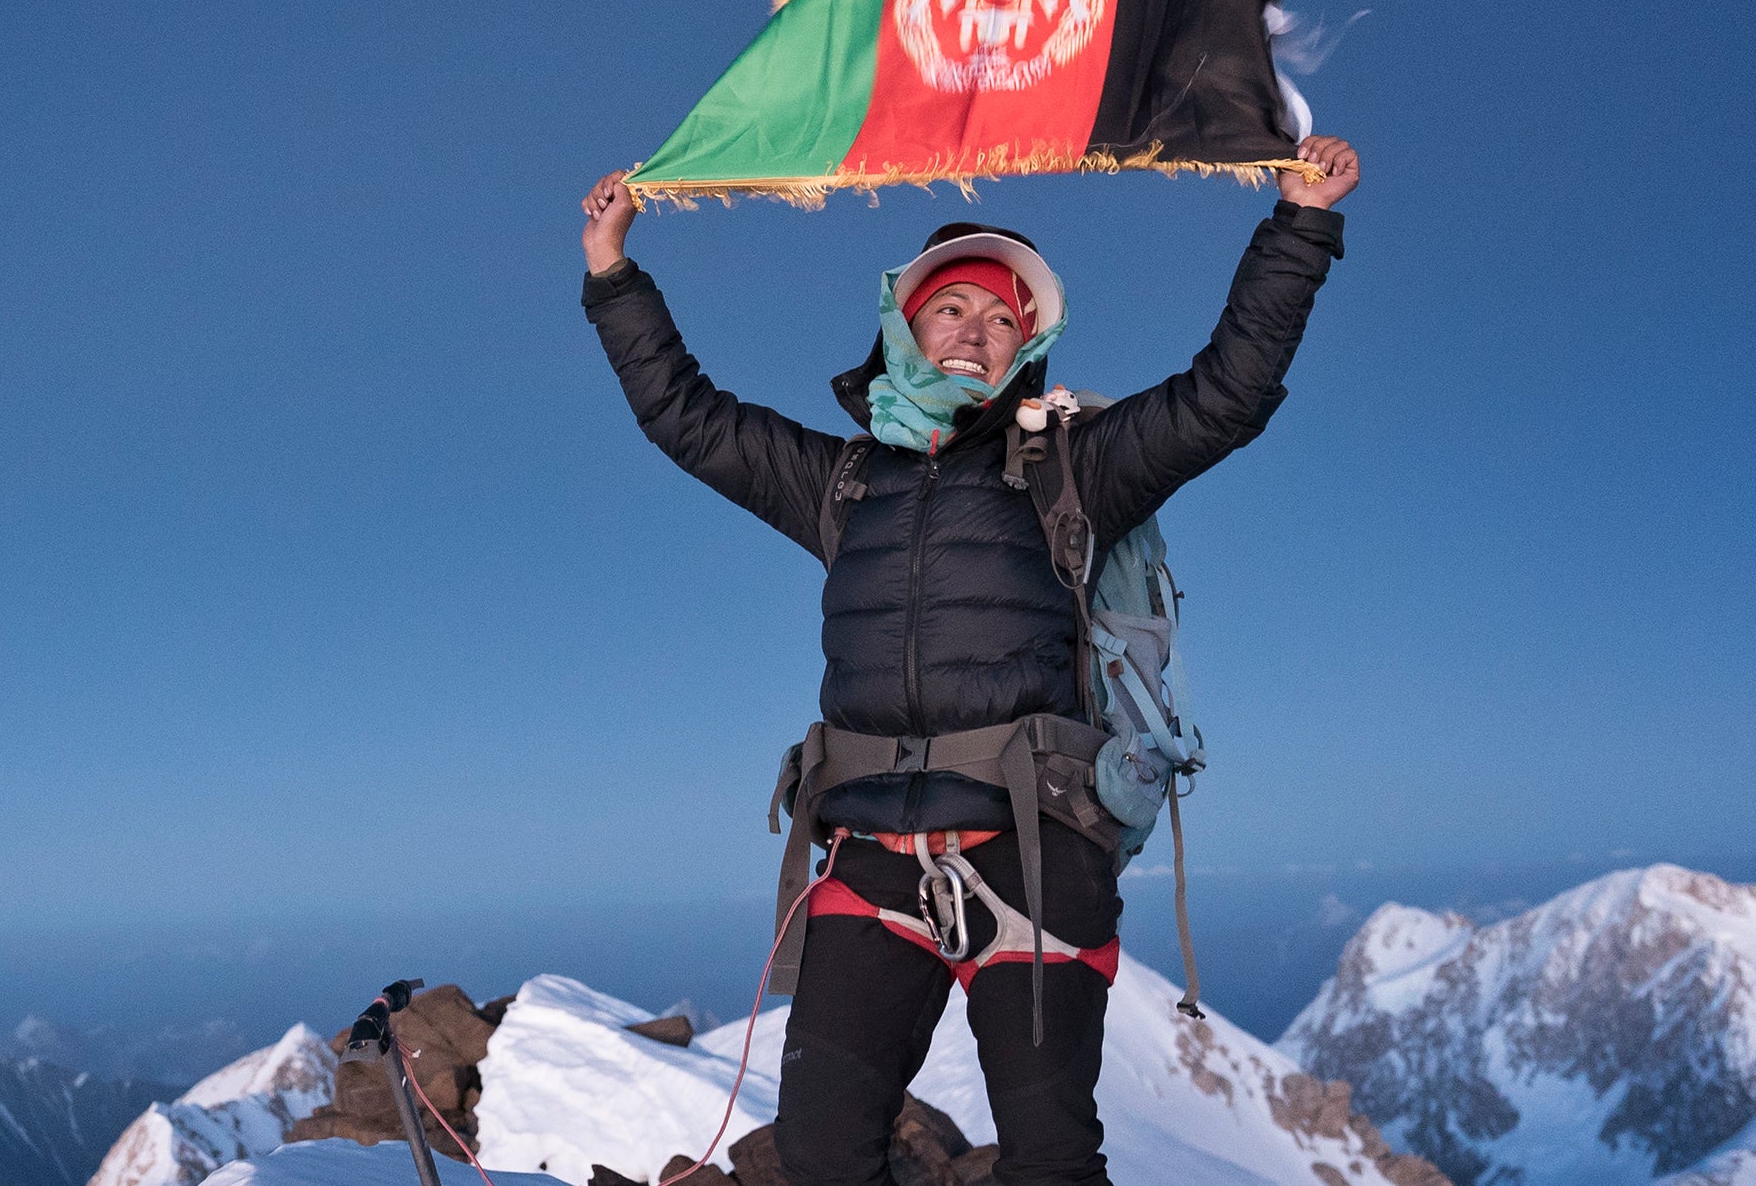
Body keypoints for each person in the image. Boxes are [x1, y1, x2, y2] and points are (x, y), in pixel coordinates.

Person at [576, 138, 1360, 1186]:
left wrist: (1300, 224)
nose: (975, 332)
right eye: (953, 308)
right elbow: (687, 417)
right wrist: (613, 271)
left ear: (1024, 350)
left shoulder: (1076, 468)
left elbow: (1229, 394)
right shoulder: (840, 483)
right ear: (905, 323)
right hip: (869, 854)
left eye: (1003, 320)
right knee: (820, 1154)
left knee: (1049, 1161)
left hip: (1035, 850)